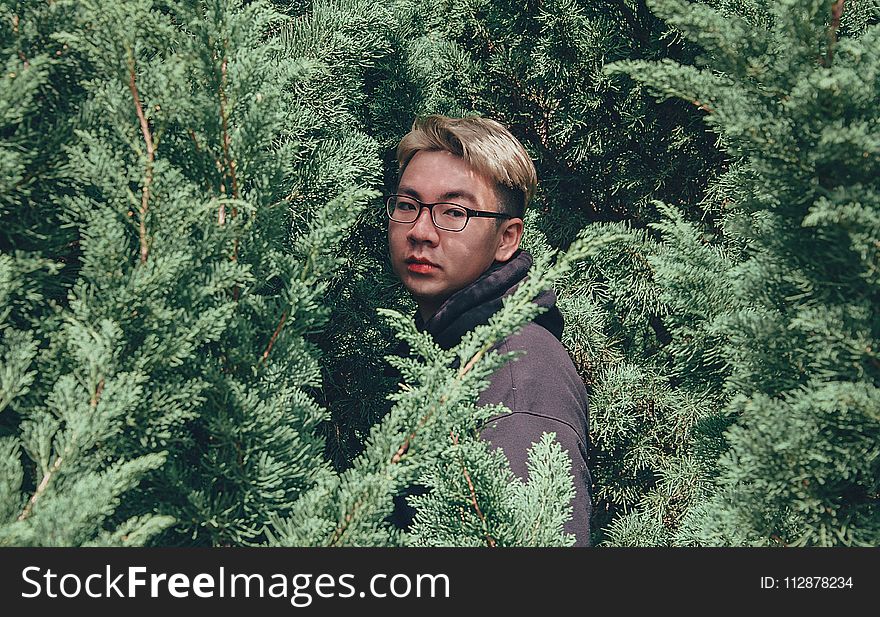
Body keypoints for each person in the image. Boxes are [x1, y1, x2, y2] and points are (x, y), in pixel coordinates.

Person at [386, 115, 592, 546]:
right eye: (408, 206)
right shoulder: (455, 349)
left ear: (507, 239)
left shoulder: (518, 371)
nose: (421, 232)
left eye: (454, 212)